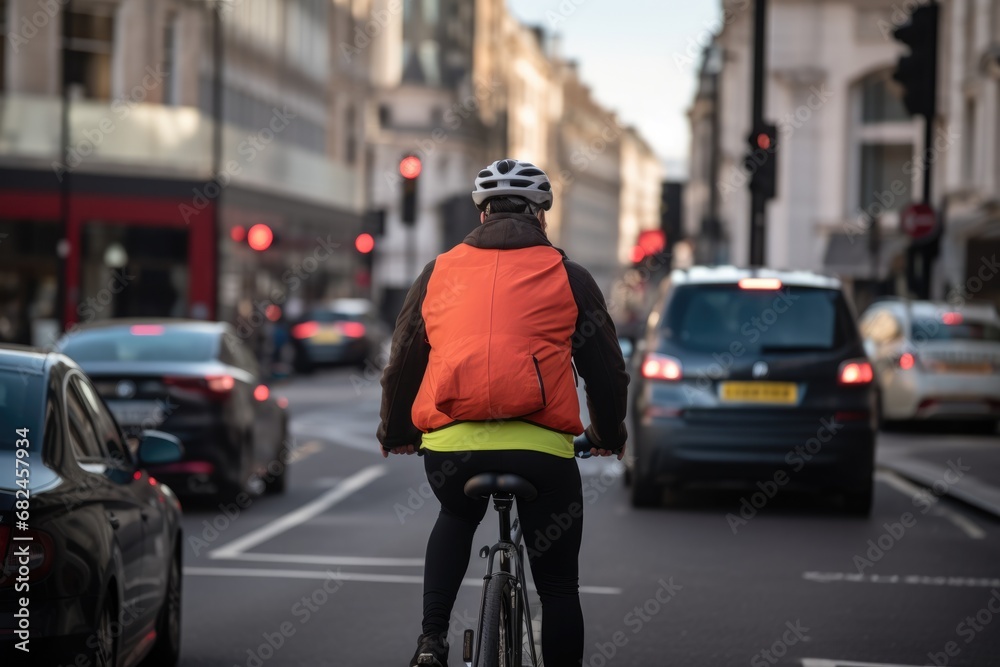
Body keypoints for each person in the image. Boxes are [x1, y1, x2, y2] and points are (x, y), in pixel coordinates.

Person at [377, 158, 629, 667]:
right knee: (558, 586)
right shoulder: (569, 276)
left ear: (482, 212)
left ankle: (431, 641)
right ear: (541, 216)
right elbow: (606, 372)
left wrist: (398, 430)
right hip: (541, 453)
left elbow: (402, 361)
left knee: (455, 513)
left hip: (452, 449)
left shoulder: (438, 272)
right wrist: (607, 433)